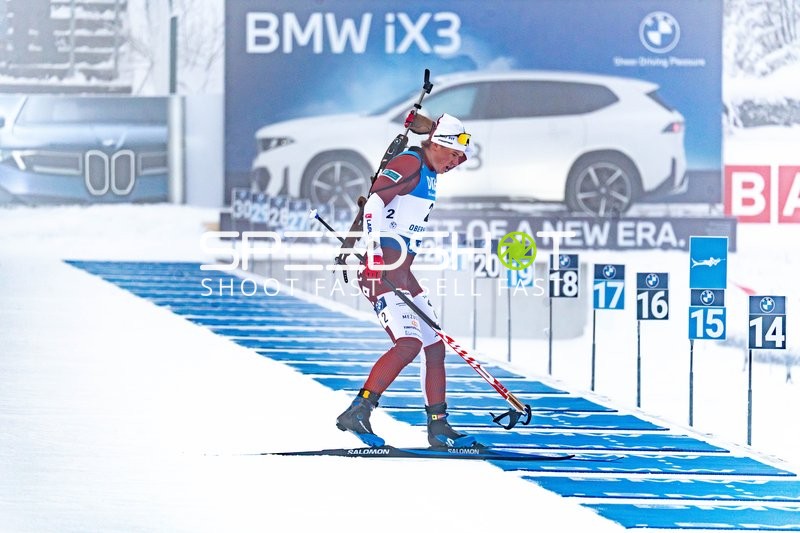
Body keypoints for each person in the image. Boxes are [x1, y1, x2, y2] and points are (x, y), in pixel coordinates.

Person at [336, 113, 478, 449]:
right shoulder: (411, 162)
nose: (457, 162)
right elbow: (373, 204)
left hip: (402, 273)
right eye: (455, 155)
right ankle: (359, 410)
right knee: (410, 344)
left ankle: (439, 427)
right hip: (381, 272)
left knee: (434, 346)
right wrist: (372, 255)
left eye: (461, 158)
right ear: (440, 144)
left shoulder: (429, 172)